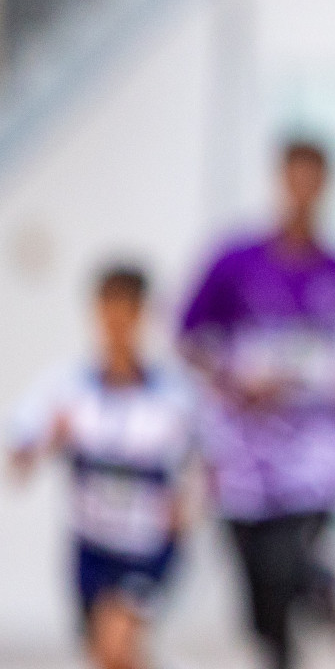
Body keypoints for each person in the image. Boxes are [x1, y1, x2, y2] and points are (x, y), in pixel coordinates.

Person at [179, 140, 335, 669]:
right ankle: (283, 637)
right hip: (246, 454)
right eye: (293, 179)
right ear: (279, 180)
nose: (302, 192)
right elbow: (189, 338)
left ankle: (319, 583)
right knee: (258, 593)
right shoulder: (234, 261)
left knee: (292, 559)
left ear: (325, 186)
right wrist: (235, 382)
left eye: (313, 180)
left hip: (317, 453)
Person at [8, 265, 196, 669]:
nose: (117, 324)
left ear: (142, 315)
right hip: (91, 543)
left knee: (116, 647)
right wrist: (47, 441)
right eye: (109, 311)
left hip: (147, 545)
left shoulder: (173, 392)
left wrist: (188, 507)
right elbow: (18, 455)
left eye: (127, 311)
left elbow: (204, 459)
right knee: (107, 658)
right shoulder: (67, 386)